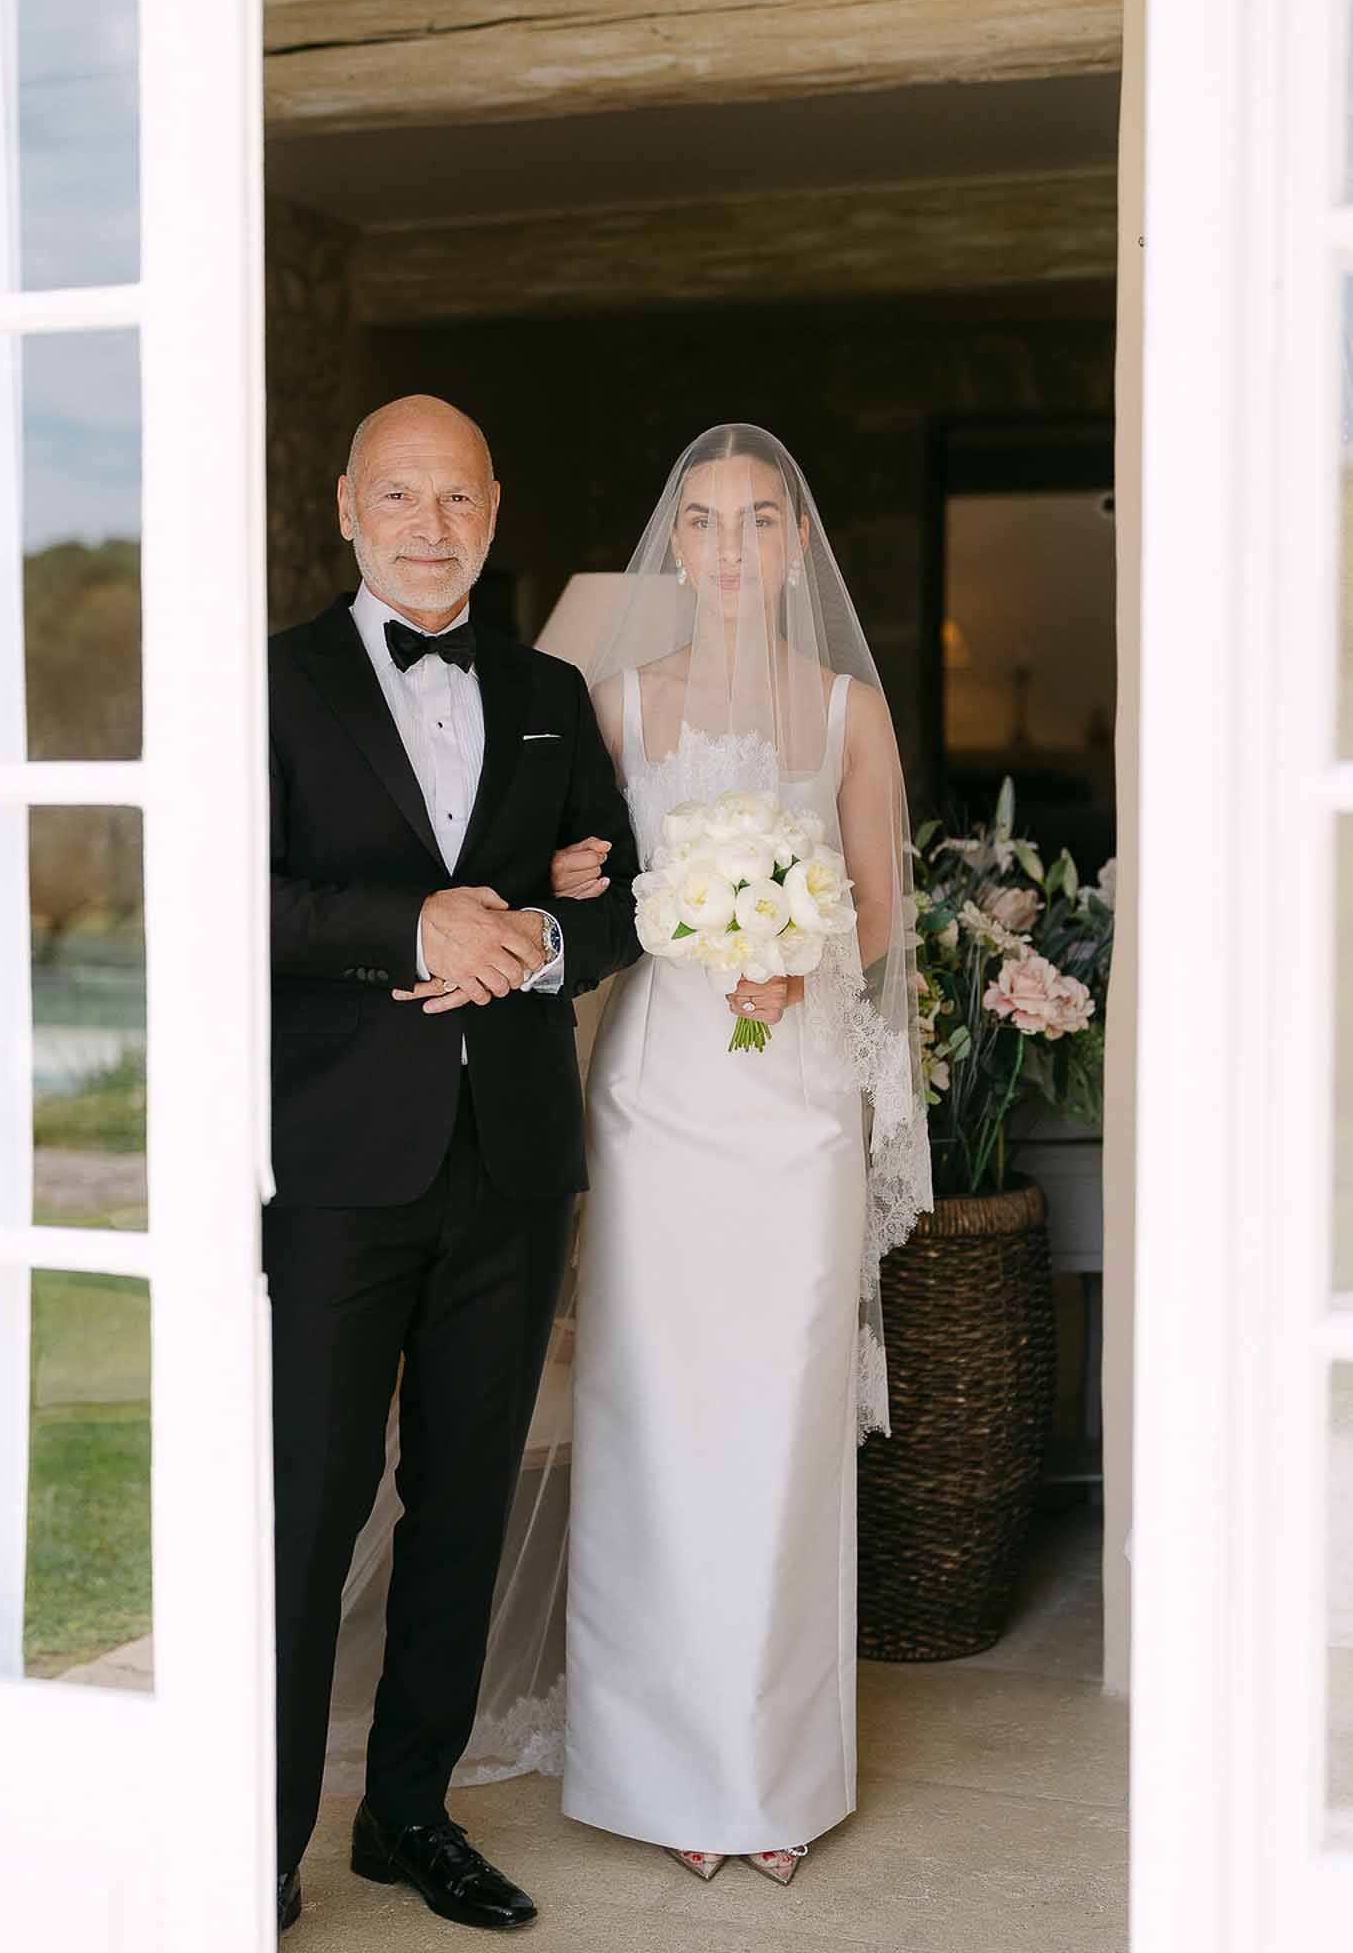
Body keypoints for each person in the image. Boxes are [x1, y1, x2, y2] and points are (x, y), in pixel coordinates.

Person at [264, 394, 640, 1933]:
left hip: (511, 1159)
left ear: (495, 508)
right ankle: (256, 1842)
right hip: (341, 1162)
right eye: (399, 497)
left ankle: (406, 1818)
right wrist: (408, 926)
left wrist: (545, 937)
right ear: (348, 508)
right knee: (304, 1509)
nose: (431, 526)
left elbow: (621, 895)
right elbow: (232, 893)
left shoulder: (552, 690)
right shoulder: (268, 683)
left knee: (466, 1501)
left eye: (458, 499)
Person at [553, 425, 931, 1882]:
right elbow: (577, 884)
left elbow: (879, 905)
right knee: (655, 1422)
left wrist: (798, 945)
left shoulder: (844, 709)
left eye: (755, 522)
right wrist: (628, 899)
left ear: (793, 545)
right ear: (678, 542)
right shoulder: (618, 705)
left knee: (776, 1431)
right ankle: (654, 1773)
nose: (725, 547)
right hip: (660, 1101)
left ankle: (770, 1779)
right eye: (701, 521)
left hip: (789, 1112)